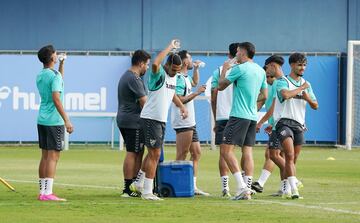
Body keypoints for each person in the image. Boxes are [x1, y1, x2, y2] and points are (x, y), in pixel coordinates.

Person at [130, 40, 188, 201]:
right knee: (155, 153)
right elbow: (156, 62)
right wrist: (170, 47)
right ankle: (147, 192)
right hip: (150, 119)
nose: (175, 72)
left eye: (178, 70)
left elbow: (172, 94)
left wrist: (182, 107)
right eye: (173, 69)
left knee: (152, 153)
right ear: (168, 64)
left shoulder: (174, 77)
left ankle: (139, 183)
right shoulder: (159, 73)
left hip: (160, 120)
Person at [218, 42, 268, 200]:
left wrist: (225, 68)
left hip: (239, 116)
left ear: (244, 53)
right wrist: (253, 107)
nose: (236, 55)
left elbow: (220, 86)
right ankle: (247, 190)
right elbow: (264, 96)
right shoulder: (261, 71)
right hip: (252, 117)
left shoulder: (239, 69)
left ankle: (241, 187)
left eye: (238, 52)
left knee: (226, 150)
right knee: (247, 152)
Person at [273, 53, 318, 199]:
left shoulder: (307, 83)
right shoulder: (282, 81)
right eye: (299, 65)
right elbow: (285, 95)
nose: (302, 68)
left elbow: (315, 105)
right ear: (292, 65)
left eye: (304, 65)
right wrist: (301, 89)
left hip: (299, 125)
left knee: (293, 160)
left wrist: (308, 98)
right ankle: (295, 191)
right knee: (289, 155)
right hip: (284, 123)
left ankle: (285, 188)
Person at [36, 45, 73, 201]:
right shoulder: (55, 76)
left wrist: (62, 64)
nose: (57, 55)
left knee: (45, 156)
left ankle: (43, 192)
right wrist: (67, 120)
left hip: (42, 119)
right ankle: (48, 193)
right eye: (56, 54)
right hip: (54, 121)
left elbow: (59, 80)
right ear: (52, 57)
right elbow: (56, 98)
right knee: (53, 157)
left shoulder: (41, 75)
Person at [170, 50, 209, 196]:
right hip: (183, 120)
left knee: (196, 153)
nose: (193, 61)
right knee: (182, 154)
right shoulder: (179, 77)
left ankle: (192, 185)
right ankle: (174, 185)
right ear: (185, 62)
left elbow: (194, 82)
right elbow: (179, 98)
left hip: (190, 121)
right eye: (190, 58)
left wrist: (197, 69)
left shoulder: (185, 77)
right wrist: (197, 93)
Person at [116, 50, 151, 197]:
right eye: (147, 65)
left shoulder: (127, 75)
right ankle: (127, 188)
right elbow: (144, 102)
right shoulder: (134, 79)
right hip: (133, 121)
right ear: (141, 63)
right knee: (132, 152)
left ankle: (135, 185)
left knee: (137, 152)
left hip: (127, 119)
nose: (147, 68)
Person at [252, 55, 286, 195]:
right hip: (276, 123)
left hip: (282, 124)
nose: (265, 79)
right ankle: (285, 188)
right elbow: (261, 103)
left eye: (266, 76)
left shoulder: (279, 83)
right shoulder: (271, 86)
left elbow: (273, 108)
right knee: (279, 155)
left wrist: (260, 122)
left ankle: (261, 183)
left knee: (273, 154)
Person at [210, 42, 239, 197]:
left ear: (228, 55)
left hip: (222, 116)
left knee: (223, 153)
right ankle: (245, 184)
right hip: (238, 115)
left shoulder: (218, 71)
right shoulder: (244, 69)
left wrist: (215, 118)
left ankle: (225, 188)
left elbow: (214, 96)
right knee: (240, 151)